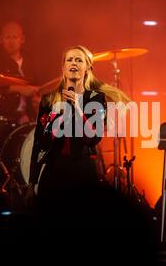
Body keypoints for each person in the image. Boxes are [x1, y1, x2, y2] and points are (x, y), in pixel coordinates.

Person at [29, 45, 130, 200]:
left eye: (78, 60)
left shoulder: (96, 99)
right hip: (54, 171)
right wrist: (32, 183)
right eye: (69, 60)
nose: (73, 63)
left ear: (88, 68)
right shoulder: (49, 99)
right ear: (63, 67)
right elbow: (39, 143)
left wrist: (77, 107)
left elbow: (93, 138)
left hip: (82, 172)